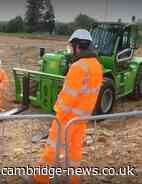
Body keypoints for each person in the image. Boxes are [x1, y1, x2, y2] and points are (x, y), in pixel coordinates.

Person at [33, 29, 103, 184]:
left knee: (53, 147)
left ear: (77, 46)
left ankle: (40, 178)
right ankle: (72, 179)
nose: (72, 50)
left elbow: (68, 97)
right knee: (75, 149)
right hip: (83, 117)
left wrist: (57, 113)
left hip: (67, 117)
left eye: (72, 46)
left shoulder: (78, 67)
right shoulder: (97, 66)